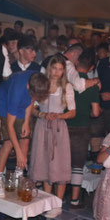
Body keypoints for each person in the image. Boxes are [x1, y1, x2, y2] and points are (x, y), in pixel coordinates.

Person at [0, 72, 50, 197]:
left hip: (21, 105)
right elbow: (10, 125)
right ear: (28, 87)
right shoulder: (17, 91)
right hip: (3, 104)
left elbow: (31, 100)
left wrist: (26, 122)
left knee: (25, 137)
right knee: (9, 142)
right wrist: (19, 153)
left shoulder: (37, 80)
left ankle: (19, 175)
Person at [30, 55, 75, 203]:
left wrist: (59, 116)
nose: (57, 72)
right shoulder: (43, 85)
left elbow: (72, 112)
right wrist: (42, 114)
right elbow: (32, 109)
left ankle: (58, 203)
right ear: (49, 68)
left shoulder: (66, 87)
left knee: (59, 163)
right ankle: (47, 201)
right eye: (54, 68)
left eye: (60, 69)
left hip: (59, 128)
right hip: (42, 126)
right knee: (44, 163)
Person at [66, 49, 100, 208]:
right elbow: (96, 112)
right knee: (77, 165)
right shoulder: (92, 86)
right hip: (82, 127)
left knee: (62, 161)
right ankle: (74, 200)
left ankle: (58, 196)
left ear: (77, 63)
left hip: (65, 125)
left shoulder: (68, 81)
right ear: (92, 67)